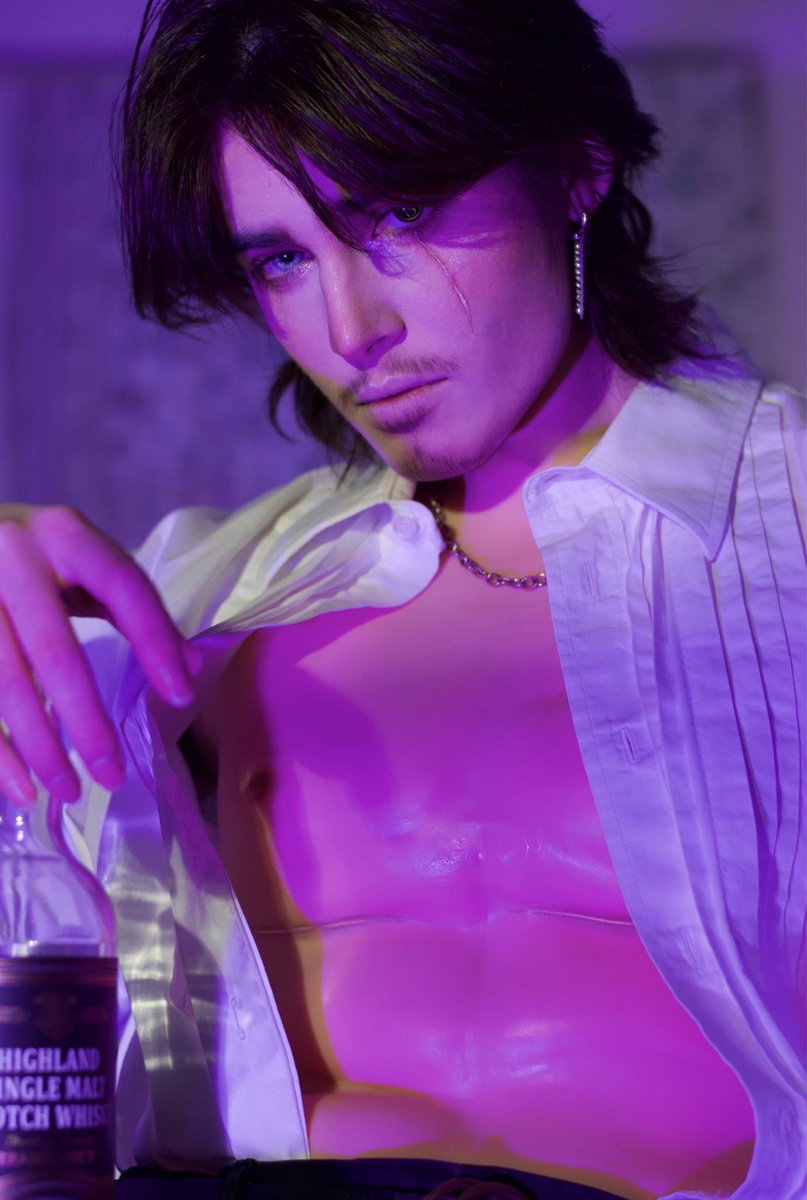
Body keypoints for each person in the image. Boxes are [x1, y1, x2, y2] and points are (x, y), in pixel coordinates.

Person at [0, 0, 804, 1197]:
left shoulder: (785, 525)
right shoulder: (192, 593)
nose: (350, 332)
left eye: (402, 215)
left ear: (576, 169)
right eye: (281, 260)